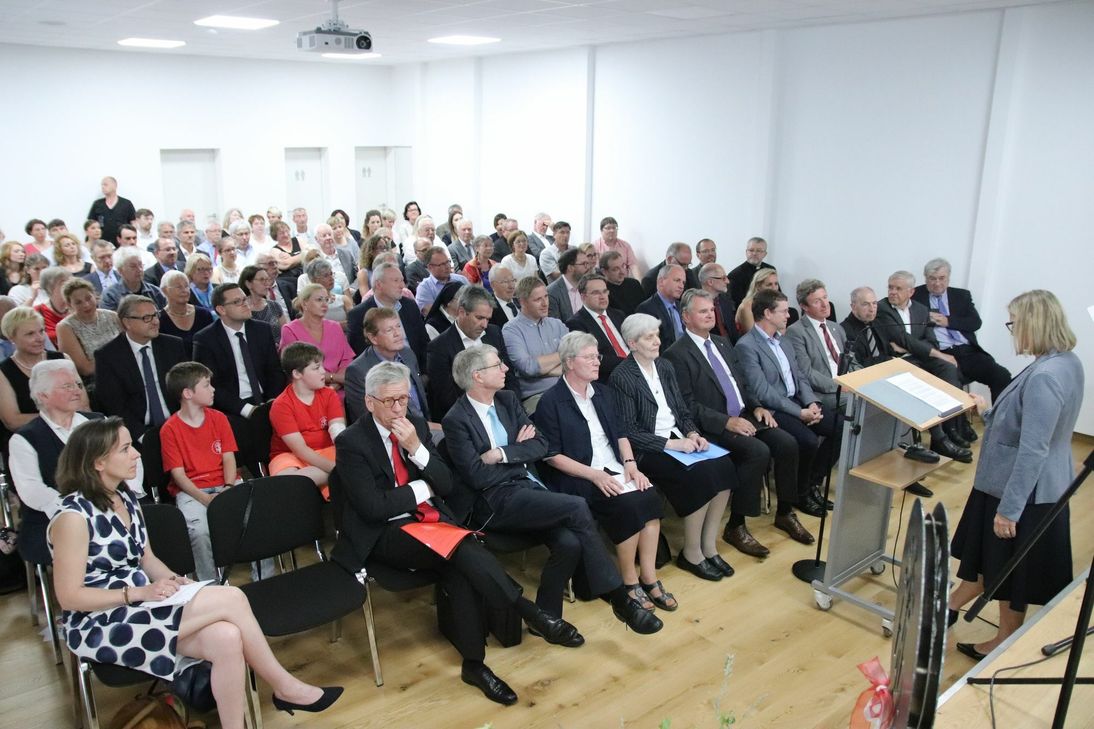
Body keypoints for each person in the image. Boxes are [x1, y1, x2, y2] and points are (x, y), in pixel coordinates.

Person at [49, 417, 342, 729]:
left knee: (227, 637)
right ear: (98, 462)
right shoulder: (73, 517)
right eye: (125, 449)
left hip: (139, 604)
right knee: (232, 598)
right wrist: (137, 593)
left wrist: (174, 579)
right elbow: (69, 598)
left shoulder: (124, 498)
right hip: (101, 620)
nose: (136, 454)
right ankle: (285, 687)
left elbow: (146, 558)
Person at [332, 361, 586, 706]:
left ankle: (474, 664)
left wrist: (417, 450)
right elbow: (374, 508)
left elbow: (447, 485)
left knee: (459, 561)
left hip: (429, 522)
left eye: (403, 400)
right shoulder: (351, 442)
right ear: (369, 402)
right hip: (383, 533)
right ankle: (530, 611)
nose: (397, 409)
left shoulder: (416, 426)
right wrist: (424, 486)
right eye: (389, 401)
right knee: (461, 547)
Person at [442, 348, 664, 632]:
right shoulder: (456, 419)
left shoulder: (508, 400)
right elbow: (476, 476)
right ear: (478, 376)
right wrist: (520, 453)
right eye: (498, 365)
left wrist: (500, 453)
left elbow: (540, 446)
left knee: (568, 543)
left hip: (526, 488)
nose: (506, 369)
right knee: (576, 505)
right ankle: (620, 598)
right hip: (492, 501)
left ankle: (547, 620)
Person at [947, 290, 1083, 660]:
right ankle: (953, 609)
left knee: (1008, 570)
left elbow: (1033, 448)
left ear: (1033, 324)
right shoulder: (1066, 362)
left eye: (1014, 323)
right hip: (1027, 484)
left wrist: (1009, 510)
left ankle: (1001, 638)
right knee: (991, 562)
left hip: (1020, 491)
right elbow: (1027, 424)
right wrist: (990, 412)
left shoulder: (1045, 376)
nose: (1012, 331)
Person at [664, 290, 815, 548]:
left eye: (711, 310)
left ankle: (785, 512)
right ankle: (736, 525)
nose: (710, 314)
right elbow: (686, 406)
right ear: (686, 317)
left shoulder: (722, 342)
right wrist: (726, 422)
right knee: (757, 452)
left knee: (788, 443)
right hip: (713, 425)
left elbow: (741, 383)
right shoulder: (676, 354)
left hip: (745, 414)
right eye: (703, 311)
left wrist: (756, 406)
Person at [534, 333, 674, 610]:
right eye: (590, 357)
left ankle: (649, 576)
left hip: (614, 467)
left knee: (650, 497)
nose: (598, 362)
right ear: (570, 362)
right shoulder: (551, 401)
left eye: (597, 356)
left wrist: (631, 465)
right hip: (578, 476)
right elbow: (552, 456)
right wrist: (594, 475)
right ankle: (629, 581)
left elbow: (620, 433)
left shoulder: (604, 393)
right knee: (629, 506)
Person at [610, 314, 735, 585]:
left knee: (723, 467)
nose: (657, 341)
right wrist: (671, 444)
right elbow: (629, 431)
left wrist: (692, 432)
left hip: (680, 438)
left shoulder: (665, 366)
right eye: (649, 337)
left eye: (657, 334)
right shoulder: (622, 377)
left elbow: (680, 409)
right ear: (632, 343)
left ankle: (708, 546)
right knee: (697, 476)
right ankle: (691, 553)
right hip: (651, 449)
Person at [9, 360, 142, 566]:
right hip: (56, 520)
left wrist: (126, 497)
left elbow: (131, 458)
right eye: (67, 386)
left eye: (78, 385)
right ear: (43, 395)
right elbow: (32, 490)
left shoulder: (99, 423)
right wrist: (84, 511)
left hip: (116, 506)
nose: (77, 391)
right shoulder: (25, 438)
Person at [841, 286, 972, 468]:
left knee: (922, 384)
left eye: (874, 304)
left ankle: (935, 438)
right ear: (853, 306)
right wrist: (887, 358)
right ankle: (938, 439)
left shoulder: (878, 323)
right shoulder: (845, 330)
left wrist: (890, 356)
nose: (872, 309)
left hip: (889, 375)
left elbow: (890, 348)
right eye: (865, 305)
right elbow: (859, 365)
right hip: (869, 384)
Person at [735, 289, 837, 517]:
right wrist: (800, 412)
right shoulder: (747, 346)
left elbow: (800, 375)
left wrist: (811, 402)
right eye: (782, 311)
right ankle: (799, 495)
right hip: (775, 408)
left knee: (839, 427)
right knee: (807, 441)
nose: (788, 315)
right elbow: (763, 391)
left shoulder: (783, 340)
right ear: (767, 314)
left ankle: (812, 483)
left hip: (799, 400)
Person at [159, 362, 241, 581]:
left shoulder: (219, 418)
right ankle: (209, 584)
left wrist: (229, 487)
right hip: (193, 491)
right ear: (188, 393)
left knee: (253, 515)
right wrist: (205, 498)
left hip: (226, 483)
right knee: (199, 532)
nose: (213, 389)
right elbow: (179, 475)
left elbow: (228, 459)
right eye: (206, 385)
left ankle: (265, 574)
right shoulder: (170, 429)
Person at [879, 272, 978, 453]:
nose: (892, 292)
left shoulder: (921, 309)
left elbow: (931, 341)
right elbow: (901, 338)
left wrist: (909, 347)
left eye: (898, 288)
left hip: (920, 357)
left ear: (911, 291)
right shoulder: (882, 308)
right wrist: (912, 347)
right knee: (923, 382)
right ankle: (939, 437)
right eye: (890, 287)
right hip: (899, 362)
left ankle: (951, 427)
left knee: (950, 371)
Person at [913, 257, 1012, 403]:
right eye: (932, 279)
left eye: (942, 278)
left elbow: (975, 323)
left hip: (967, 351)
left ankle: (996, 420)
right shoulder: (915, 296)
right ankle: (959, 425)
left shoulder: (961, 296)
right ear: (925, 278)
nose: (937, 283)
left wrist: (948, 321)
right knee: (952, 384)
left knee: (1001, 375)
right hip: (940, 353)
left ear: (948, 278)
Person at [94, 296, 187, 441]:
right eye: (146, 318)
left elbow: (187, 388)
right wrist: (144, 437)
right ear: (127, 322)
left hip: (179, 424)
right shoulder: (108, 356)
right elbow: (114, 405)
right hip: (138, 432)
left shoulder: (173, 346)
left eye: (156, 315)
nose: (155, 321)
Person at [193, 284, 285, 418]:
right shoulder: (205, 339)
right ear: (221, 309)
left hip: (267, 399)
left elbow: (274, 371)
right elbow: (211, 385)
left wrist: (272, 400)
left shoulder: (262, 330)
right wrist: (247, 410)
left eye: (245, 299)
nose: (245, 304)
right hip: (232, 408)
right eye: (237, 302)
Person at [426, 285, 520, 416]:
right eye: (479, 318)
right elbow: (447, 399)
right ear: (461, 312)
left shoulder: (494, 333)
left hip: (505, 409)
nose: (484, 325)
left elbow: (510, 378)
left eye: (488, 319)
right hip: (469, 418)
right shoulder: (439, 348)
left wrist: (514, 410)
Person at [1, 308, 82, 458]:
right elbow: (12, 420)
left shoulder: (63, 359)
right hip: (29, 446)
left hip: (74, 439)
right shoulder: (3, 372)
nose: (40, 338)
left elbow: (83, 404)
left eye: (41, 331)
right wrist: (60, 415)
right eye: (30, 334)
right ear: (12, 337)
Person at [268, 343, 346, 498]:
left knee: (351, 461)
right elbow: (300, 450)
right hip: (289, 455)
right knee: (288, 482)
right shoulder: (281, 405)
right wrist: (336, 469)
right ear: (297, 374)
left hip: (327, 449)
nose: (324, 372)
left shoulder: (329, 395)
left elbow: (338, 432)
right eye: (316, 368)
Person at [343, 307, 429, 425]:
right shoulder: (358, 371)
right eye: (389, 330)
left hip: (424, 425)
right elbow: (368, 421)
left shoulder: (407, 353)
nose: (398, 334)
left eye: (398, 326)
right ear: (373, 338)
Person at [502, 276, 568, 412]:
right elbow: (528, 368)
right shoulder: (511, 330)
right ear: (522, 302)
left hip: (568, 387)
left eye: (546, 297)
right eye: (538, 299)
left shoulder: (557, 324)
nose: (545, 303)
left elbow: (574, 360)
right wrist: (562, 355)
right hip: (536, 397)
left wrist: (542, 368)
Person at [279, 284, 354, 396]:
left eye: (326, 300)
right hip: (306, 393)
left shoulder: (335, 327)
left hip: (338, 391)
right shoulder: (289, 330)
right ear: (305, 303)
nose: (324, 304)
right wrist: (336, 378)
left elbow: (346, 360)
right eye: (319, 300)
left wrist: (334, 387)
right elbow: (299, 369)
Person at [784, 279, 846, 414]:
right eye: (817, 301)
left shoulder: (836, 328)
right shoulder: (796, 331)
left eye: (825, 297)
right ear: (804, 306)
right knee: (862, 402)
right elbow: (807, 372)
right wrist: (840, 386)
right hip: (824, 392)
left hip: (847, 385)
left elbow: (850, 360)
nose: (825, 304)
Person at [346, 262, 428, 362]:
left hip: (415, 369)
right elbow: (362, 357)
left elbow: (424, 344)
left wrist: (423, 374)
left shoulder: (409, 306)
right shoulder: (358, 315)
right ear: (379, 285)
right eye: (396, 281)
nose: (402, 285)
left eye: (402, 280)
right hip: (383, 373)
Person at [55, 278, 121, 393]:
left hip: (125, 372)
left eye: (88, 298)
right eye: (78, 302)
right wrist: (121, 361)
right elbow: (85, 369)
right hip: (96, 383)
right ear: (69, 305)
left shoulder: (113, 316)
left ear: (95, 296)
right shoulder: (65, 327)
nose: (86, 305)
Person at [565, 273, 628, 383]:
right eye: (596, 293)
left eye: (604, 291)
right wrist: (629, 363)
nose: (602, 296)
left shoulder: (619, 314)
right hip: (611, 377)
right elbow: (592, 358)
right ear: (583, 296)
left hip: (636, 368)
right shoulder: (576, 323)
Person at [635, 263, 686, 354]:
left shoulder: (681, 306)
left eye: (683, 282)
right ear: (661, 282)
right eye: (677, 280)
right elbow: (651, 347)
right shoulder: (646, 309)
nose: (681, 286)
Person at [157, 270, 215, 350]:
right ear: (165, 290)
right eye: (179, 287)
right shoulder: (159, 320)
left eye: (186, 286)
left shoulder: (204, 314)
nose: (184, 290)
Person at [101, 248, 166, 312]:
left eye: (140, 265)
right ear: (120, 271)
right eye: (133, 266)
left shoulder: (155, 292)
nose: (139, 269)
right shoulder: (110, 295)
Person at [239, 265, 287, 345]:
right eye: (262, 280)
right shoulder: (242, 309)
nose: (267, 284)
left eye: (267, 280)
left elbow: (285, 334)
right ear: (248, 284)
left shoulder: (274, 306)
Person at [415, 246, 469, 315]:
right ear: (430, 267)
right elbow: (431, 314)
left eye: (448, 262)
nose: (447, 266)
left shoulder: (461, 279)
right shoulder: (424, 288)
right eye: (442, 264)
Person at [86, 176, 137, 245]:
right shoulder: (97, 204)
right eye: (102, 185)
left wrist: (132, 240)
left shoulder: (126, 203)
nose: (103, 187)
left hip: (122, 243)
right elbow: (90, 223)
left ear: (115, 186)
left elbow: (133, 223)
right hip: (102, 243)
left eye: (105, 184)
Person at [727, 236, 774, 307]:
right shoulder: (735, 274)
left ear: (765, 254)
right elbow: (737, 302)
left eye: (759, 250)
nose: (754, 253)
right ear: (746, 252)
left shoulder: (770, 269)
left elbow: (777, 293)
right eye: (751, 250)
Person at [546, 249, 591, 322]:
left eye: (587, 263)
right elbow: (556, 326)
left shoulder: (586, 287)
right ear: (570, 268)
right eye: (583, 264)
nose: (587, 267)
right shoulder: (552, 293)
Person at [697, 262, 738, 343]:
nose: (727, 281)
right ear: (710, 282)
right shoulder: (697, 304)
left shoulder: (725, 301)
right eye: (723, 278)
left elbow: (733, 331)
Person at [33, 267, 73, 347]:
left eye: (70, 282)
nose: (69, 286)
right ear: (49, 287)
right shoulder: (38, 311)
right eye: (63, 283)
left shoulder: (77, 307)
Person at [601, 250, 645, 316]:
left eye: (623, 266)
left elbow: (645, 307)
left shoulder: (634, 283)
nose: (622, 272)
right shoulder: (603, 292)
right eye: (615, 269)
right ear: (604, 272)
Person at [269, 220, 304, 302]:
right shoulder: (274, 250)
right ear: (275, 236)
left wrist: (291, 258)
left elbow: (309, 254)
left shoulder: (298, 240)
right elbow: (285, 264)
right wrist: (302, 255)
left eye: (287, 231)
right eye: (281, 233)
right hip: (289, 283)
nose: (285, 234)